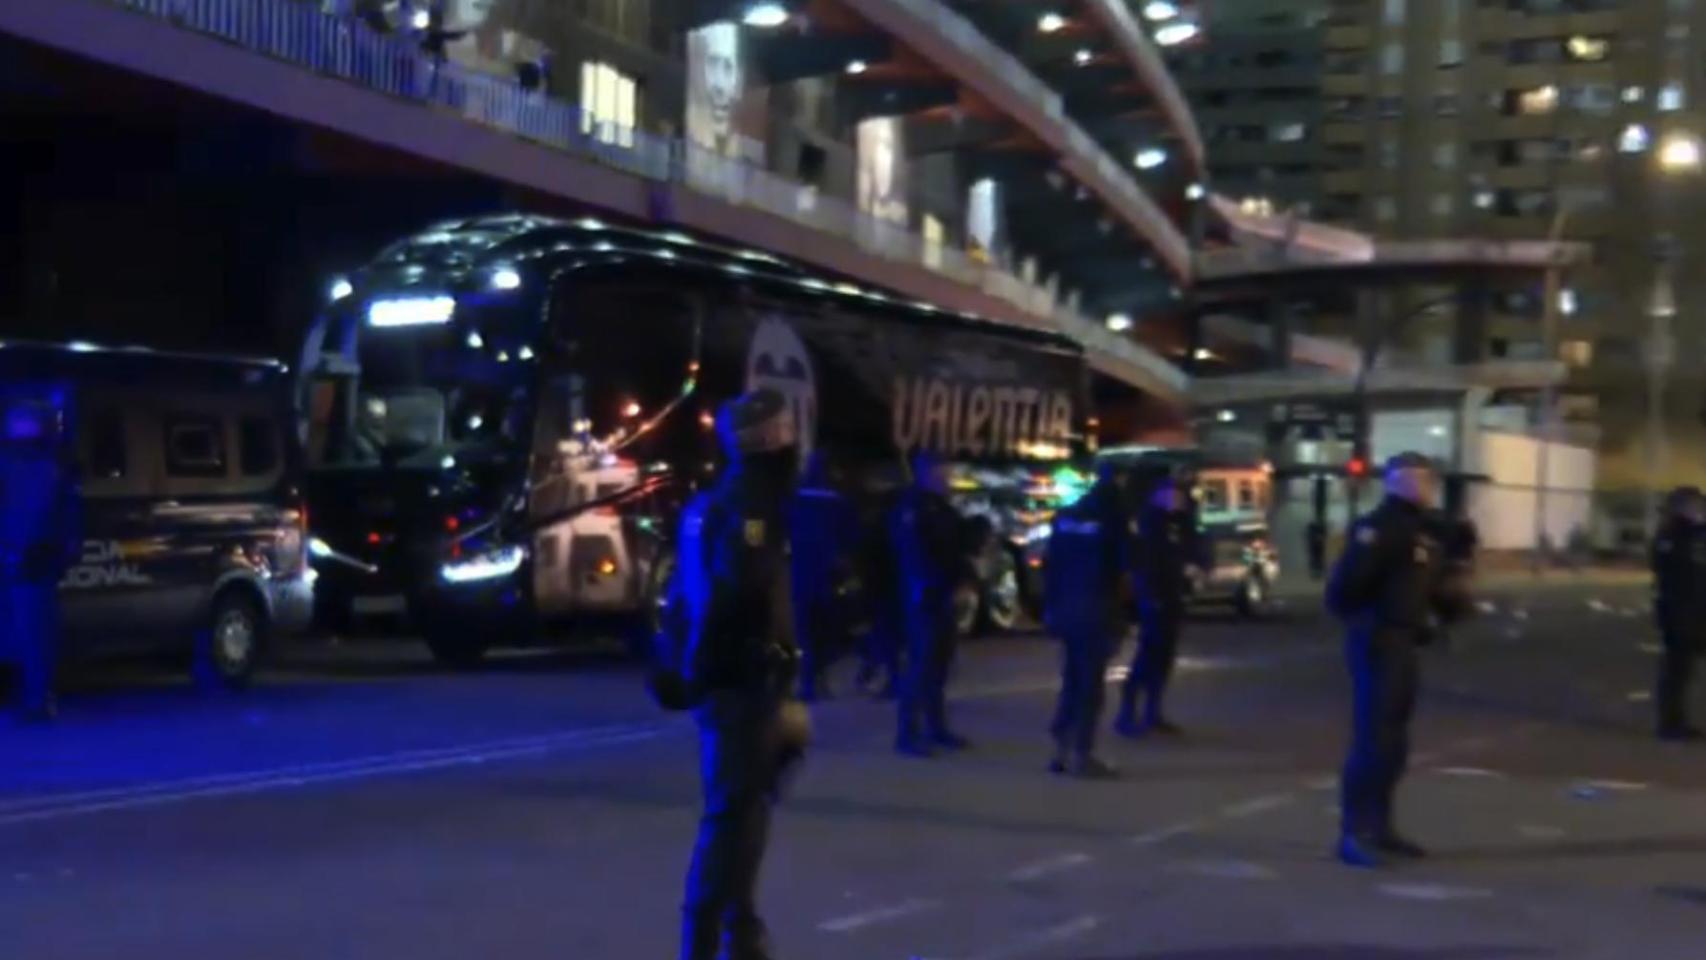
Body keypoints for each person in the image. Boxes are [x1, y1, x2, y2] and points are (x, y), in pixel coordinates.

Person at [676, 388, 809, 960]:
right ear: (773, 438)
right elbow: (741, 592)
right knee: (735, 817)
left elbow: (687, 596)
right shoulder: (753, 503)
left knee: (743, 807)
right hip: (742, 683)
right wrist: (772, 673)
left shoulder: (716, 499)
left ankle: (739, 928)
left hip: (727, 679)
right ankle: (710, 942)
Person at [1326, 452, 1465, 869]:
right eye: (1423, 479)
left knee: (1394, 742)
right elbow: (1344, 589)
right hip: (1379, 641)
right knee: (1373, 737)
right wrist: (1371, 623)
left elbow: (1431, 589)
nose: (1430, 488)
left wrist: (1452, 603)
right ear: (1399, 481)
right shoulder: (1379, 529)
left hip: (1406, 641)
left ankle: (1381, 826)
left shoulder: (1423, 533)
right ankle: (1355, 832)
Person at [1044, 465, 1131, 778]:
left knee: (1071, 679)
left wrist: (1050, 608)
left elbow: (1050, 565)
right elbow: (1123, 570)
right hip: (1096, 608)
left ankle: (1061, 751)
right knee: (1090, 684)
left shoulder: (1066, 517)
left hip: (1066, 607)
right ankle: (1083, 754)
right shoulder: (1113, 518)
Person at [1, 390, 79, 723]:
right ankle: (37, 696)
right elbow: (69, 518)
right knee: (34, 632)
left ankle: (36, 699)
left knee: (28, 632)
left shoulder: (22, 466)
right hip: (35, 559)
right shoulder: (56, 466)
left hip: (24, 558)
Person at [891, 451, 971, 756]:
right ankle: (907, 733)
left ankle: (936, 728)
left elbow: (955, 548)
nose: (947, 477)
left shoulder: (942, 507)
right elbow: (914, 554)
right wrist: (932, 585)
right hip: (923, 597)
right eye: (942, 471)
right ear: (925, 472)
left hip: (943, 596)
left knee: (940, 665)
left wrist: (963, 578)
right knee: (921, 664)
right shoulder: (913, 507)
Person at [1116, 473, 1194, 737]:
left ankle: (1153, 712)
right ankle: (1128, 711)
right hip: (1155, 597)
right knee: (1149, 655)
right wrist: (1152, 596)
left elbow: (1187, 550)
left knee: (1163, 658)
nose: (1181, 499)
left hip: (1170, 597)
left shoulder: (1175, 523)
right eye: (1176, 494)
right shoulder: (1150, 525)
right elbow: (1147, 564)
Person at [789, 451, 853, 702]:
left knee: (805, 632)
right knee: (825, 630)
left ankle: (808, 682)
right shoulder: (837, 501)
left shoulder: (795, 500)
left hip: (802, 573)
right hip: (828, 575)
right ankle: (821, 679)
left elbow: (777, 529)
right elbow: (850, 535)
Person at [1652, 486, 1706, 742]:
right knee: (1677, 672)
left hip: (1692, 612)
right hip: (1682, 614)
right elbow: (1677, 573)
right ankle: (1672, 724)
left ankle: (1673, 723)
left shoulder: (1686, 534)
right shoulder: (1675, 536)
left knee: (1678, 672)